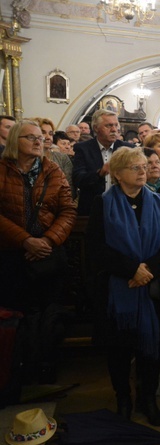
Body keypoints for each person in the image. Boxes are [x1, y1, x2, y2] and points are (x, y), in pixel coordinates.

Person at [86, 147, 160, 426]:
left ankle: (148, 399)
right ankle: (123, 399)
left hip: (151, 289)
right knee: (119, 350)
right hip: (116, 289)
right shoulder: (102, 203)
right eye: (135, 168)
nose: (142, 171)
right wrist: (131, 269)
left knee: (150, 348)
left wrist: (147, 270)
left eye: (143, 166)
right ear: (117, 174)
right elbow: (96, 248)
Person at [0, 120, 76, 381]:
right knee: (16, 313)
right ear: (14, 142)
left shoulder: (52, 170)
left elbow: (67, 210)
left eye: (40, 138)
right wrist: (24, 240)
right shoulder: (2, 169)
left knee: (48, 314)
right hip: (11, 254)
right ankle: (16, 369)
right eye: (29, 137)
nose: (38, 141)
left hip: (48, 253)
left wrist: (49, 240)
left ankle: (44, 367)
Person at [72, 110, 133, 216]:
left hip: (123, 209)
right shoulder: (83, 149)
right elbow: (78, 179)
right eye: (108, 126)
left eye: (115, 125)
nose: (114, 129)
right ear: (96, 128)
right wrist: (100, 173)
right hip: (92, 210)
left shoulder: (128, 149)